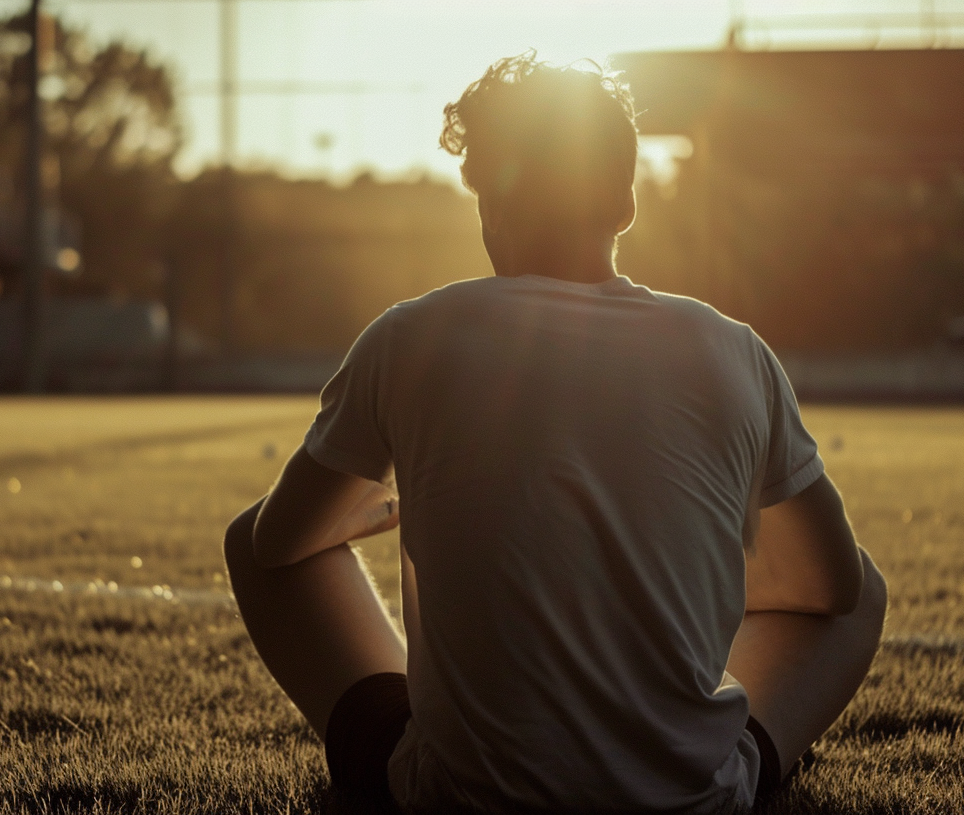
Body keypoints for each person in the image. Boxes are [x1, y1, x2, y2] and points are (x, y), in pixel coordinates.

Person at [223, 53, 887, 815]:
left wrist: (371, 517)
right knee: (865, 591)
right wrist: (679, 574)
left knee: (250, 537)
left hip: (457, 801)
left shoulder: (410, 337)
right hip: (693, 804)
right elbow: (834, 588)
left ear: (487, 203)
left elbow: (277, 546)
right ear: (625, 200)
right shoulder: (732, 347)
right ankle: (731, 770)